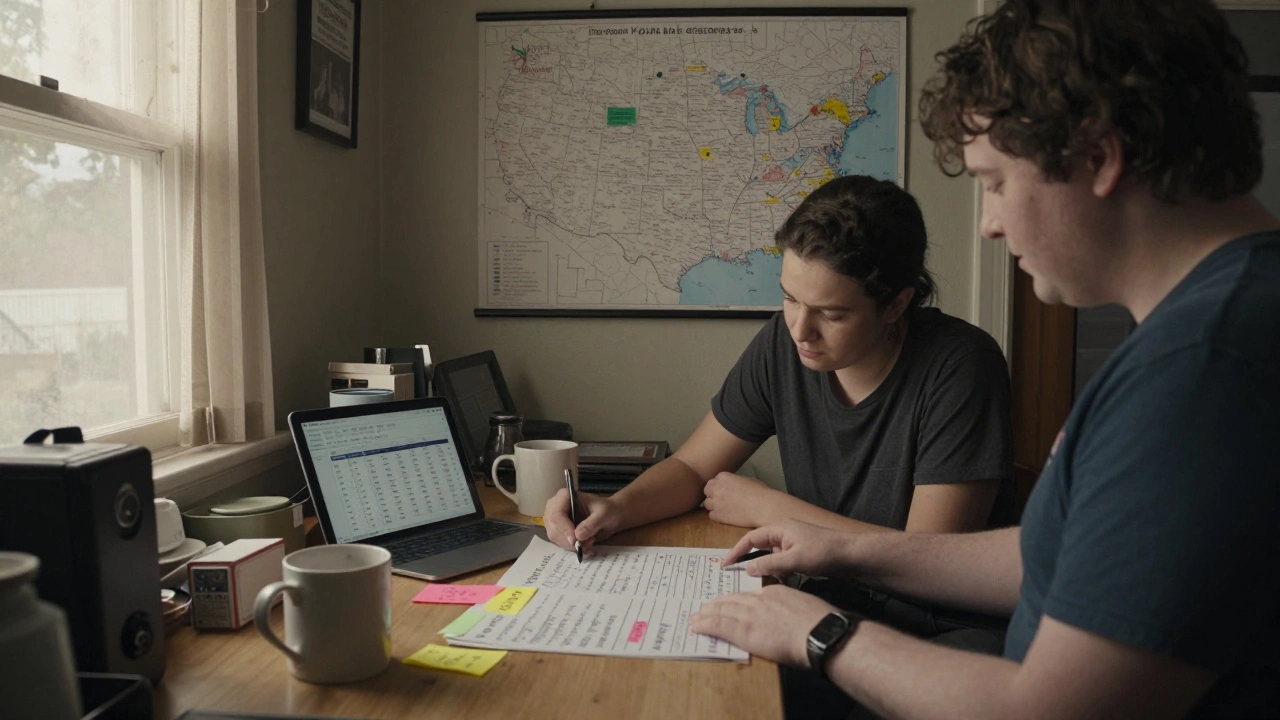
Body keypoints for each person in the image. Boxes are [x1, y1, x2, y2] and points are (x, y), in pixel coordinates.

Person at [690, 0, 1280, 718]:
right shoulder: (1219, 320)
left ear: (1098, 157)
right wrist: (838, 549)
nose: (990, 225)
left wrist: (818, 633)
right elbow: (1049, 556)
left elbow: (1051, 710)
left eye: (996, 182)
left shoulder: (1202, 368)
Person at [544, 174, 1015, 554]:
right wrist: (614, 509)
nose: (800, 330)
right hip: (818, 598)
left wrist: (774, 510)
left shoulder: (962, 368)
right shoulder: (784, 343)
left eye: (832, 314)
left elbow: (931, 562)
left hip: (924, 635)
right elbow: (691, 468)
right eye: (790, 298)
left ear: (896, 304)